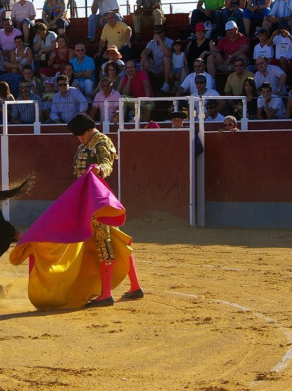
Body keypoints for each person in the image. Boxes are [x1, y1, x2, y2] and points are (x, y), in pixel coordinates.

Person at [9, 112, 143, 310]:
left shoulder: (100, 141)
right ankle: (135, 287)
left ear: (90, 129)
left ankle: (106, 295)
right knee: (114, 240)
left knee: (103, 243)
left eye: (82, 135)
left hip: (97, 202)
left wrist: (100, 169)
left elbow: (108, 164)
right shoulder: (85, 144)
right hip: (87, 200)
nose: (80, 139)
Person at [141, 26, 173, 91]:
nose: (157, 35)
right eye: (155, 33)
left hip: (166, 67)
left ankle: (166, 84)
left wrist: (160, 41)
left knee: (166, 59)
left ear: (163, 33)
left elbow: (168, 54)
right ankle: (143, 84)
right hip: (156, 66)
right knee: (143, 61)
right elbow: (143, 53)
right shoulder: (152, 42)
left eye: (159, 33)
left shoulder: (170, 42)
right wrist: (145, 60)